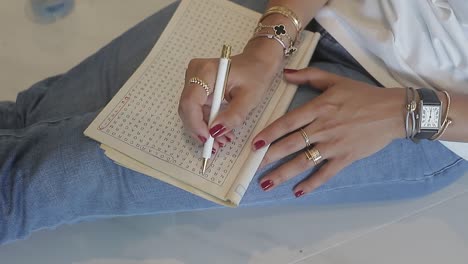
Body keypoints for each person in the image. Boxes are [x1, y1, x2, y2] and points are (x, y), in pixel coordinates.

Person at [0, 0, 467, 245]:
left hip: (429, 111)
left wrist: (405, 109)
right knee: (34, 112)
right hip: (304, 12)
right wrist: (267, 44)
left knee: (34, 180)